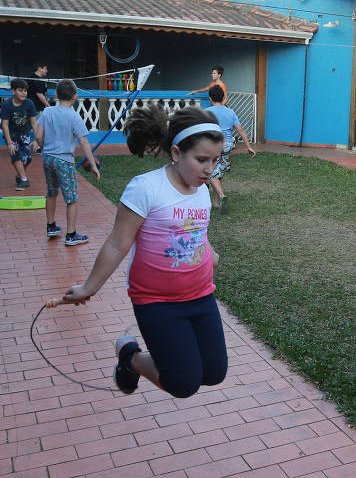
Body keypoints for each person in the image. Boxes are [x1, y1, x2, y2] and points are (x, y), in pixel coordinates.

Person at [47, 105, 228, 399]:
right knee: (183, 384)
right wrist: (88, 287)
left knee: (214, 373)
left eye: (215, 160)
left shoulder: (202, 189)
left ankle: (136, 358)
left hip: (201, 295)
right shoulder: (145, 188)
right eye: (202, 159)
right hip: (157, 302)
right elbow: (118, 243)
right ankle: (129, 357)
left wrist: (210, 254)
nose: (210, 169)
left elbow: (196, 233)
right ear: (176, 153)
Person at [35, 79, 100, 246]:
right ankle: (71, 235)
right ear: (75, 97)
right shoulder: (74, 116)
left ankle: (51, 226)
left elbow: (38, 136)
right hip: (64, 161)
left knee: (51, 192)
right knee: (72, 198)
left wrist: (43, 149)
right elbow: (83, 141)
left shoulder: (47, 112)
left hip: (47, 159)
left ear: (56, 95)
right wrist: (93, 165)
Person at [205, 85, 256, 213]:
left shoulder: (206, 112)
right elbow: (241, 130)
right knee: (219, 172)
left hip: (213, 145)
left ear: (210, 98)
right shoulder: (230, 112)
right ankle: (215, 203)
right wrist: (248, 146)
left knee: (210, 172)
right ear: (223, 98)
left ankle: (222, 196)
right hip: (227, 145)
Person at [0, 78, 39, 191]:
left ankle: (19, 175)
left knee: (27, 159)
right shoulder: (7, 105)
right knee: (16, 155)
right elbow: (5, 125)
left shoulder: (29, 103)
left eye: (25, 91)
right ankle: (24, 180)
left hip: (24, 135)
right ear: (13, 91)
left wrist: (37, 139)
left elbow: (33, 122)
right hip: (12, 135)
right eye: (20, 90)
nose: (24, 93)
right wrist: (9, 143)